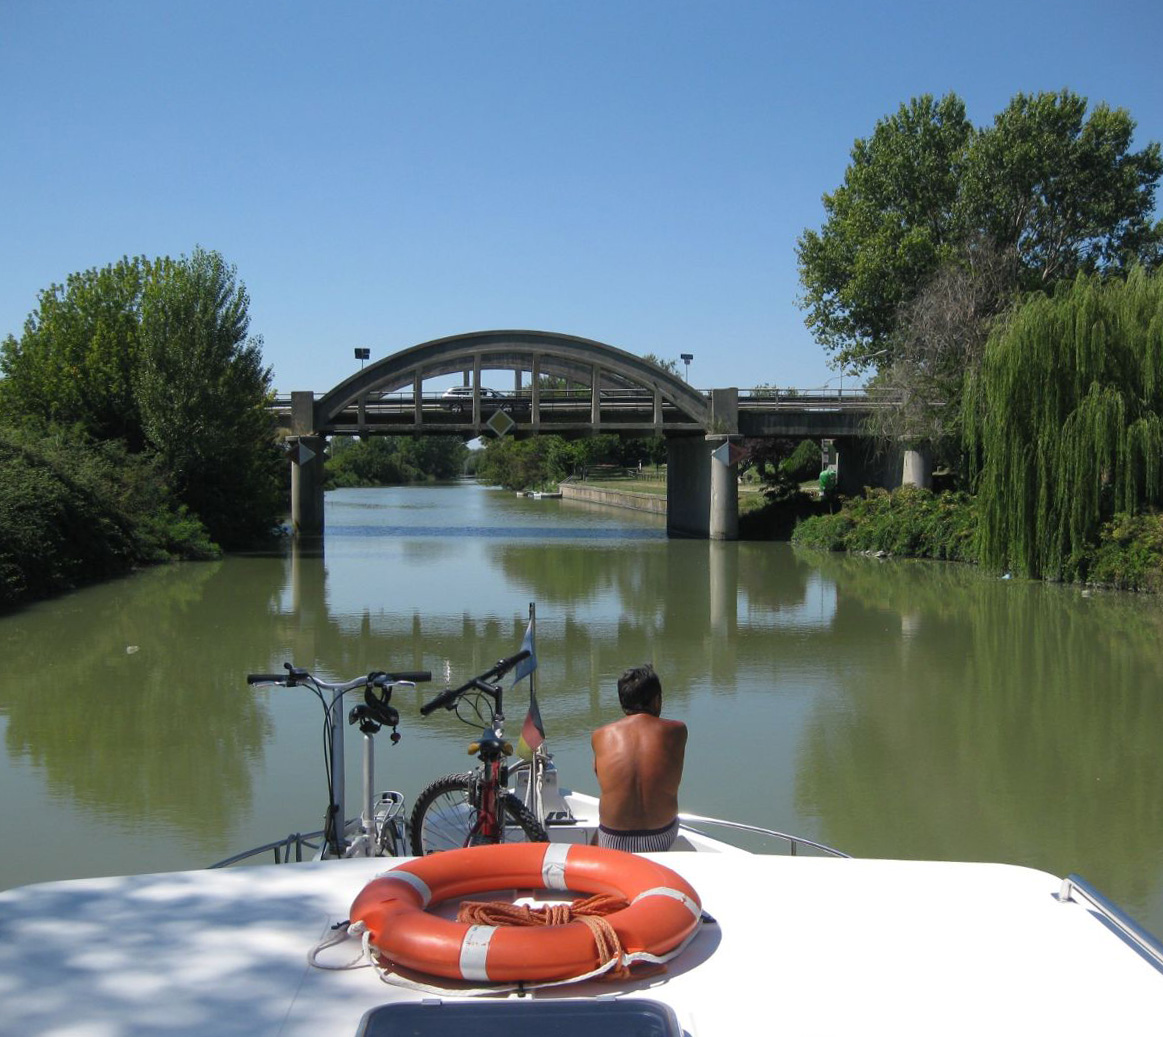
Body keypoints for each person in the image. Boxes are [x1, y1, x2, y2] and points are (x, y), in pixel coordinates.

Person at [591, 664, 687, 851]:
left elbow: (602, 776)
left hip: (613, 838)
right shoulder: (677, 731)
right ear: (657, 701)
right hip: (661, 835)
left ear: (622, 702)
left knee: (595, 838)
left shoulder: (600, 736)